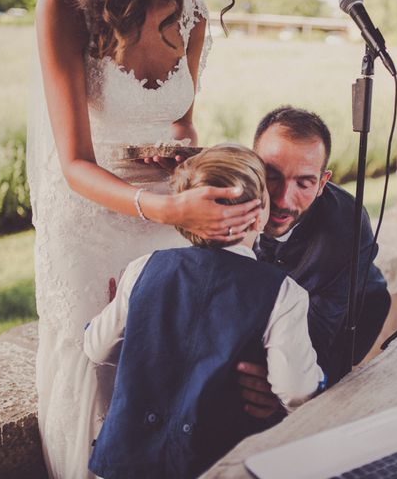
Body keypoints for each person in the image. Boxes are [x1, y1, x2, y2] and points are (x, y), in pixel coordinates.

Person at [28, 0, 254, 476]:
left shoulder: (191, 14)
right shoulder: (65, 9)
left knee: (168, 359)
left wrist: (186, 163)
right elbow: (73, 162)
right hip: (90, 214)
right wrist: (166, 208)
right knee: (100, 365)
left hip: (166, 206)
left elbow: (182, 124)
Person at [83, 144, 324, 478]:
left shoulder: (143, 269)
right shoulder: (283, 293)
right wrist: (320, 381)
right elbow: (296, 389)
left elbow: (96, 347)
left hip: (125, 463)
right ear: (257, 215)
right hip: (209, 465)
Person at [237, 106, 391, 419]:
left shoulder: (346, 226)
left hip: (342, 330)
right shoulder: (226, 195)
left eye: (304, 183)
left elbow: (319, 336)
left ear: (323, 183)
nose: (282, 199)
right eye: (271, 176)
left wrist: (280, 387)